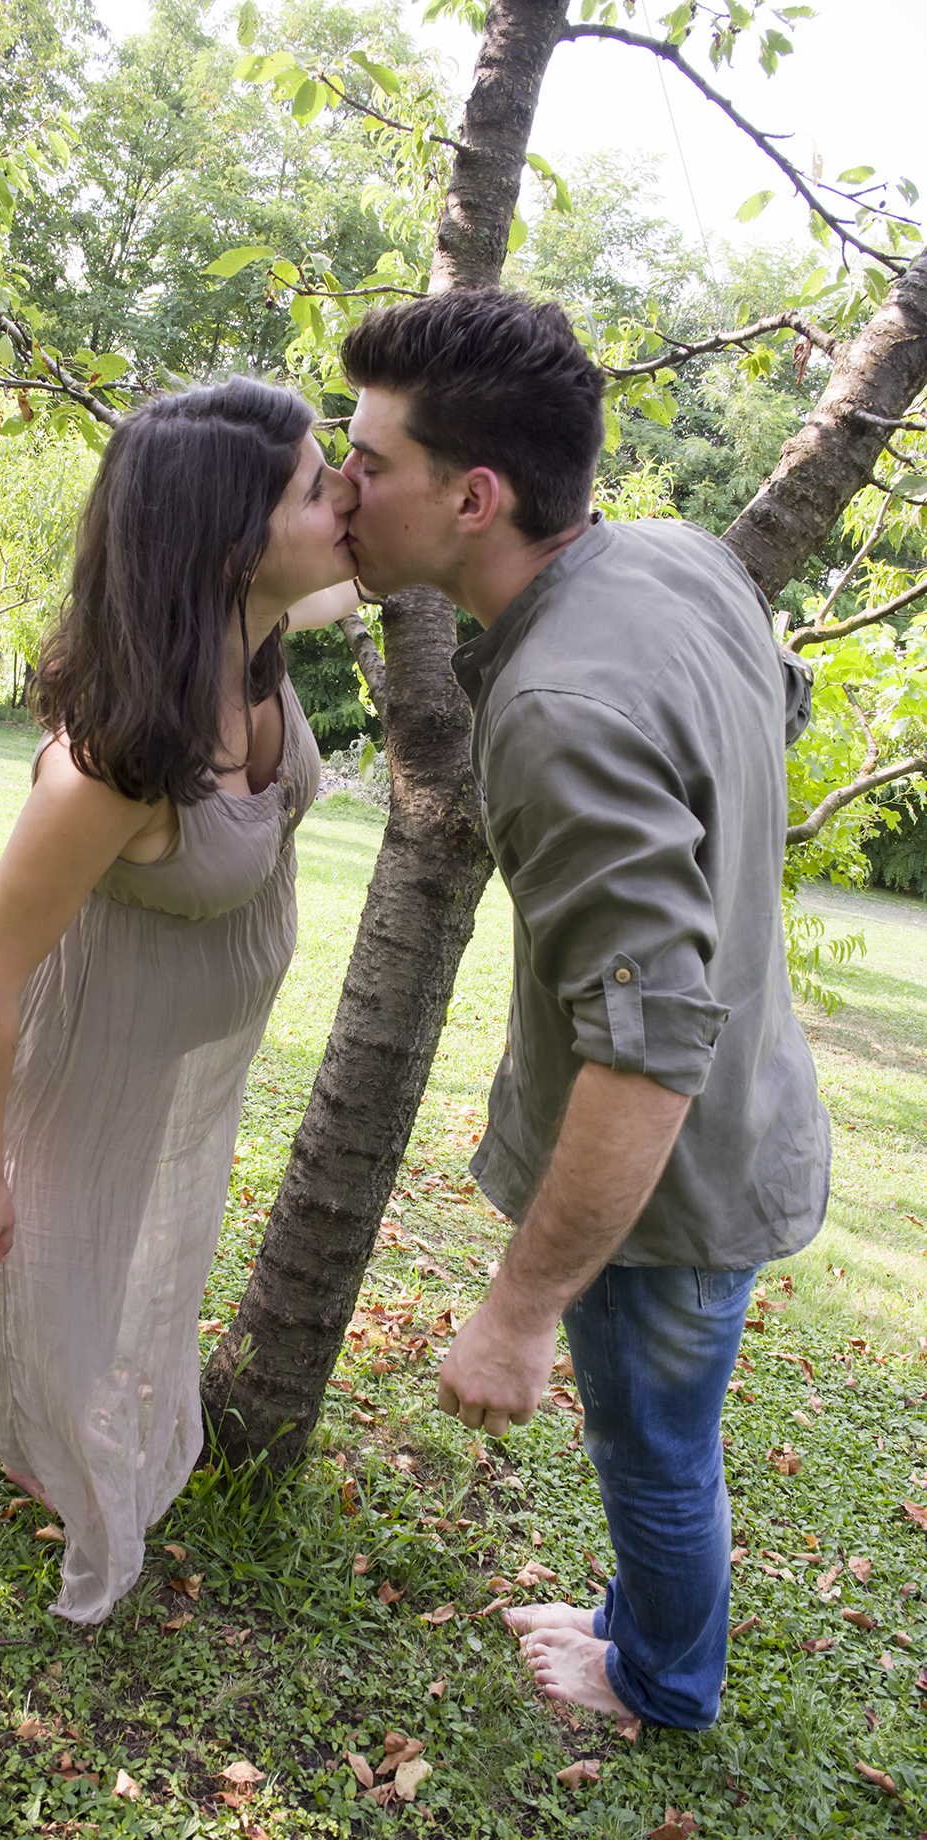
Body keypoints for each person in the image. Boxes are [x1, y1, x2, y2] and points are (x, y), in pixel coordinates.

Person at [338, 288, 829, 1730]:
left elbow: (648, 1047)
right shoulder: (676, 560)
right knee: (660, 1432)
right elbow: (776, 701)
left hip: (668, 1186)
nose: (341, 483)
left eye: (369, 460)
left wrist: (515, 1311)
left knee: (654, 1446)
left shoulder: (555, 704)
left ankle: (661, 1682)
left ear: (474, 496)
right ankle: (635, 1621)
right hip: (749, 1116)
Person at [0, 378, 359, 1624]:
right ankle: (44, 1462)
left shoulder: (267, 633)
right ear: (229, 541)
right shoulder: (113, 756)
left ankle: (64, 1440)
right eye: (312, 483)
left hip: (185, 1062)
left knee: (146, 1266)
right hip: (87, 1053)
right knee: (53, 1284)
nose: (342, 496)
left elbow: (407, 545)